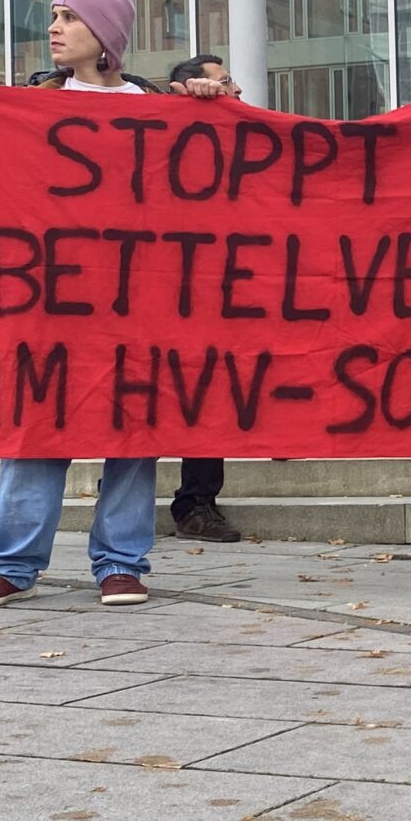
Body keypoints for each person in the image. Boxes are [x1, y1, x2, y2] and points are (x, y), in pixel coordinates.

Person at [0, 0, 221, 608]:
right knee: (40, 421)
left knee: (135, 427)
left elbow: (214, 179)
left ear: (105, 34)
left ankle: (121, 561)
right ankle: (11, 562)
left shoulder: (158, 104)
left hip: (141, 296)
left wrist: (210, 99)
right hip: (52, 298)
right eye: (55, 16)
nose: (55, 28)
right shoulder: (31, 103)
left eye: (70, 18)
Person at [164, 53, 247, 545]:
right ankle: (119, 492)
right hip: (162, 291)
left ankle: (198, 501)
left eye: (231, 81)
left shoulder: (256, 135)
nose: (230, 89)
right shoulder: (159, 131)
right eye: (220, 82)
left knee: (209, 395)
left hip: (223, 294)